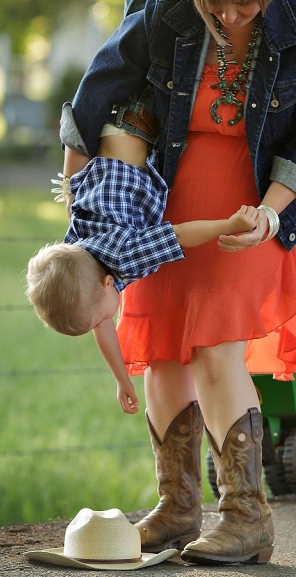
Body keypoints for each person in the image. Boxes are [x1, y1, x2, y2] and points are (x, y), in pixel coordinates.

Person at [59, 0, 296, 565]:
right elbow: (102, 84)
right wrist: (78, 185)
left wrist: (273, 213)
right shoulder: (166, 14)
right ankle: (177, 507)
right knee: (162, 352)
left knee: (217, 353)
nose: (228, 18)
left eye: (244, 5)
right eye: (213, 5)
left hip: (249, 211)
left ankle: (246, 516)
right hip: (165, 209)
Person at [25, 98, 259, 414]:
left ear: (109, 282)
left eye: (101, 317)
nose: (106, 322)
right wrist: (122, 379)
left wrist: (228, 225)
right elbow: (102, 325)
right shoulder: (77, 251)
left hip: (139, 120)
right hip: (106, 130)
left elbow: (178, 235)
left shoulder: (125, 256)